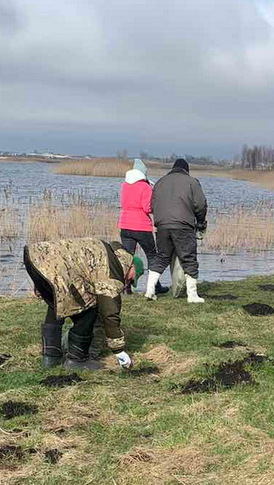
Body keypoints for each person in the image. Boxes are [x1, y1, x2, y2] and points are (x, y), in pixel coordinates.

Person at [23, 238, 139, 370]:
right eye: (132, 278)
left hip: (34, 256)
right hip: (53, 266)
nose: (128, 282)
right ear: (132, 265)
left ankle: (50, 358)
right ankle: (77, 359)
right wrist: (119, 349)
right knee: (88, 307)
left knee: (57, 303)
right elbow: (110, 313)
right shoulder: (114, 267)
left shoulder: (106, 251)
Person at [145, 158, 208, 303]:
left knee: (161, 257)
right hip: (183, 225)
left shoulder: (160, 182)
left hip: (162, 225)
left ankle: (149, 290)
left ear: (172, 168)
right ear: (187, 170)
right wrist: (200, 221)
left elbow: (152, 205)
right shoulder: (192, 182)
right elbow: (200, 204)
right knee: (188, 257)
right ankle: (192, 295)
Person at [117, 158, 168, 299]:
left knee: (127, 257)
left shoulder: (124, 185)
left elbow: (122, 202)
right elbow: (147, 207)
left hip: (125, 224)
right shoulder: (145, 187)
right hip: (141, 226)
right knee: (152, 256)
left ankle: (126, 288)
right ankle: (155, 286)